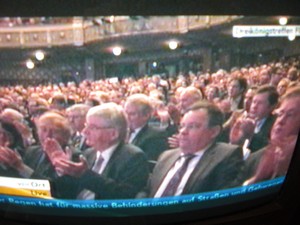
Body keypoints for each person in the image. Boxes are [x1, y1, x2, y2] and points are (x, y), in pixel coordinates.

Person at [139, 101, 243, 198]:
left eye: (193, 126)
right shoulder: (166, 156)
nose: (183, 131)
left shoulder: (225, 156)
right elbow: (147, 190)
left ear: (214, 131)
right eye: (182, 126)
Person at [53, 103, 149, 200]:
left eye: (93, 127)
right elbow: (68, 193)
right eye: (86, 126)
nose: (84, 132)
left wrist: (85, 174)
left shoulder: (133, 157)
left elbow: (123, 195)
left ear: (113, 134)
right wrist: (65, 172)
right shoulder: (88, 153)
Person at [242, 86, 300, 185]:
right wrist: (255, 180)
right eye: (280, 114)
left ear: (271, 107)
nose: (281, 121)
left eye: (290, 115)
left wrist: (282, 173)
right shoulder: (255, 158)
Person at [124, 94, 169, 161]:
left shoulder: (155, 136)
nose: (127, 118)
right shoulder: (122, 132)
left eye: (132, 114)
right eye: (125, 113)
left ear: (146, 115)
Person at [247, 85, 279, 152]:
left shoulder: (275, 126)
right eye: (254, 102)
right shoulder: (243, 119)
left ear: (272, 107)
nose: (254, 106)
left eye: (260, 103)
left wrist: (249, 135)